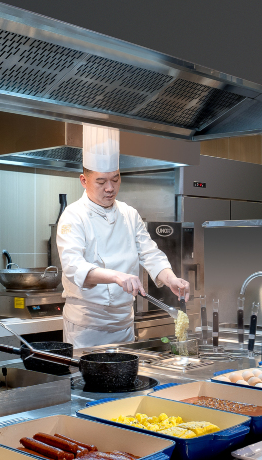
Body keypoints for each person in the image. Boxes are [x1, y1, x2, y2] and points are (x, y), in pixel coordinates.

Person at [56, 125, 191, 348]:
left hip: (124, 325)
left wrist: (171, 279)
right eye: (101, 182)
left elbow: (150, 254)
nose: (110, 188)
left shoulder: (129, 214)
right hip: (87, 329)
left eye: (116, 179)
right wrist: (117, 277)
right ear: (84, 181)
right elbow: (73, 267)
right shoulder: (73, 216)